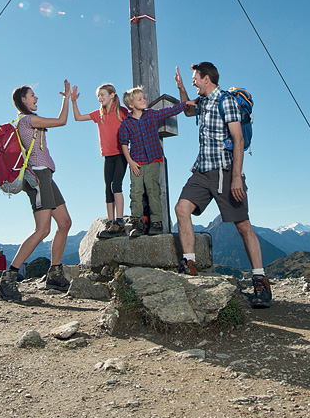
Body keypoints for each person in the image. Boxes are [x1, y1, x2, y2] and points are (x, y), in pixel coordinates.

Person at [174, 62, 272, 308]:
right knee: (182, 209)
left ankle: (260, 280)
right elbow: (187, 112)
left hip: (225, 172)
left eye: (195, 78)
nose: (194, 82)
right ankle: (189, 264)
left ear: (206, 78)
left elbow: (238, 140)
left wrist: (236, 177)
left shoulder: (225, 101)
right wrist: (181, 88)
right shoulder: (203, 102)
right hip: (201, 171)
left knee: (243, 225)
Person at [0, 81, 76, 300]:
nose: (36, 98)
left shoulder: (26, 120)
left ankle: (54, 274)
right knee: (42, 230)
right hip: (38, 177)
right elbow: (61, 121)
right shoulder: (27, 120)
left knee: (65, 223)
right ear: (23, 100)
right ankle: (8, 278)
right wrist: (66, 98)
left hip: (46, 176)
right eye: (32, 95)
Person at [116, 87, 185, 237]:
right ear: (131, 105)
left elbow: (169, 111)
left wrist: (185, 105)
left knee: (153, 191)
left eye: (143, 98)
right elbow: (123, 144)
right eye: (140, 99)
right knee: (136, 193)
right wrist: (130, 162)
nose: (144, 100)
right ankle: (137, 223)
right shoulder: (126, 124)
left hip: (153, 160)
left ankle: (156, 223)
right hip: (136, 163)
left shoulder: (151, 115)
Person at [72, 83, 129, 237]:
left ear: (112, 95)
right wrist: (74, 101)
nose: (100, 98)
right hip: (108, 156)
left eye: (102, 94)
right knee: (108, 188)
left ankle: (120, 221)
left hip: (121, 154)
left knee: (116, 185)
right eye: (98, 96)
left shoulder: (122, 112)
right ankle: (111, 221)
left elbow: (134, 124)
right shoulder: (99, 114)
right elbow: (78, 117)